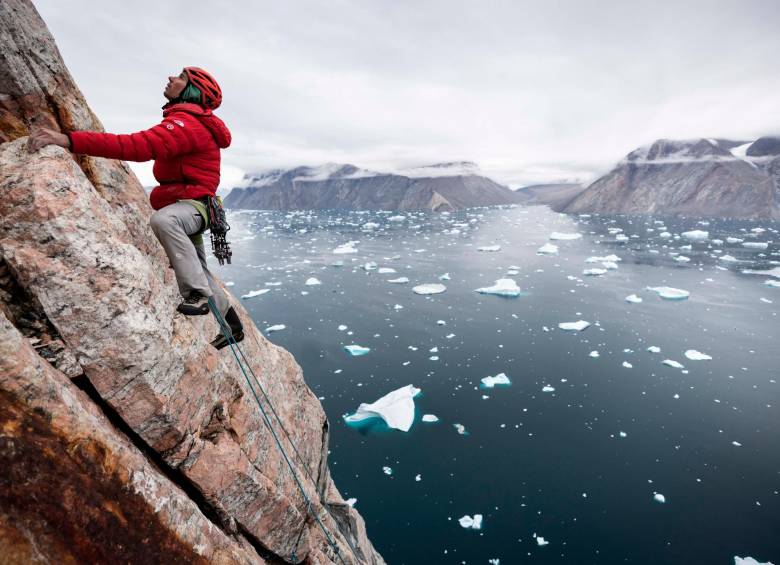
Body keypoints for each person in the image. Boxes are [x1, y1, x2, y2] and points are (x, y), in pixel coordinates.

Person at [28, 67, 244, 350]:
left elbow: (137, 146)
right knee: (199, 269)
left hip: (193, 207)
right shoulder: (188, 122)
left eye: (180, 77)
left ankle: (197, 295)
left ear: (192, 90)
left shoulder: (187, 124)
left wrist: (68, 140)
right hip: (197, 206)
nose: (170, 78)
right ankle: (232, 327)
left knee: (166, 222)